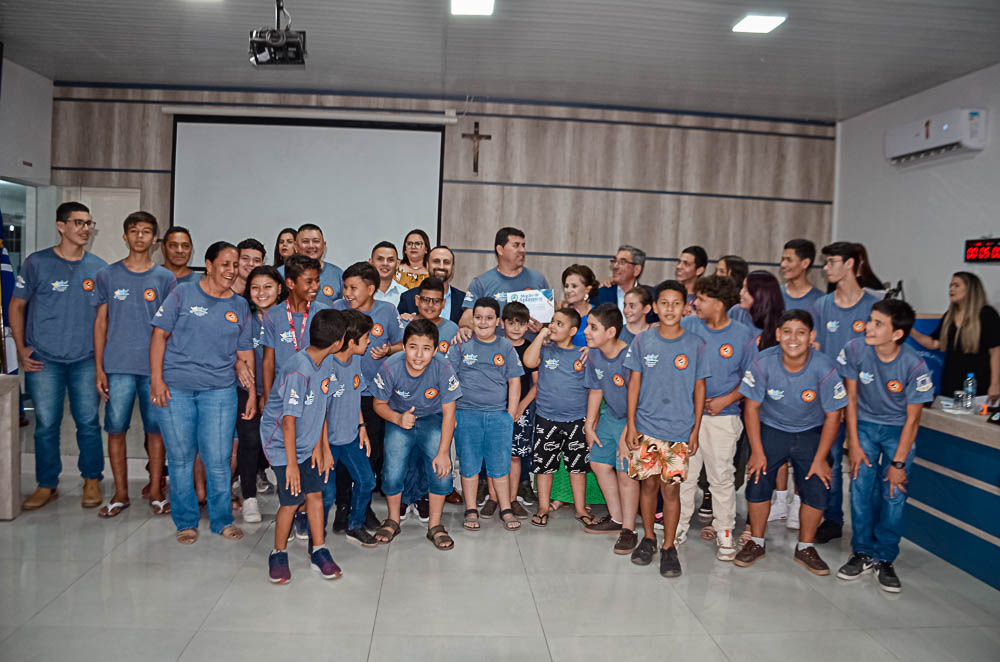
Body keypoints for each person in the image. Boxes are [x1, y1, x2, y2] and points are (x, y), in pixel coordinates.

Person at [150, 241, 256, 544]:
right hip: (176, 390)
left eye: (234, 265)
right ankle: (186, 521)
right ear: (208, 265)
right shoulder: (183, 294)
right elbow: (159, 336)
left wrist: (249, 391)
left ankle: (222, 520)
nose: (231, 270)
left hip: (219, 392)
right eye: (225, 264)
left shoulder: (238, 305)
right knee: (181, 458)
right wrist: (157, 380)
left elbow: (244, 353)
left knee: (219, 459)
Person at [11, 201, 108, 510]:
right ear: (61, 226)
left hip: (85, 358)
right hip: (44, 358)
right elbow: (16, 306)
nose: (85, 229)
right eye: (78, 223)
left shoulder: (99, 268)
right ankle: (46, 484)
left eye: (89, 223)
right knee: (46, 424)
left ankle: (92, 480)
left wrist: (102, 362)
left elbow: (104, 319)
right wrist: (20, 347)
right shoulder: (36, 263)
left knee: (89, 422)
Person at [735, 310, 847, 575]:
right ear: (777, 335)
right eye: (787, 332)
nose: (793, 338)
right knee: (758, 481)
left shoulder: (824, 367)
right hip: (771, 429)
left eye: (801, 332)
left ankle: (805, 547)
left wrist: (820, 458)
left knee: (817, 487)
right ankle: (757, 542)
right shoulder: (763, 362)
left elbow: (834, 415)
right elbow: (751, 409)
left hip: (811, 432)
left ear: (812, 336)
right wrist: (757, 452)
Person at [837, 299, 935, 592]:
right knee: (860, 489)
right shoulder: (855, 350)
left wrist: (899, 463)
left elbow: (913, 421)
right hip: (864, 426)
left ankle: (885, 557)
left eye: (878, 323)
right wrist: (853, 443)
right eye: (871, 320)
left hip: (897, 431)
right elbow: (851, 401)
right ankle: (862, 552)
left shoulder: (914, 366)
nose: (869, 326)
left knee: (893, 493)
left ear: (897, 334)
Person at [92, 211, 176, 518]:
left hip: (154, 370)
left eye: (146, 232)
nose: (140, 237)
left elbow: (170, 329)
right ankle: (120, 493)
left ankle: (155, 492)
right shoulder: (107, 275)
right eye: (134, 231)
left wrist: (165, 372)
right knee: (116, 429)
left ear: (155, 239)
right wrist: (100, 368)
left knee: (156, 431)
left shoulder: (166, 279)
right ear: (125, 236)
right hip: (118, 366)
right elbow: (100, 324)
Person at [622, 280, 708, 578]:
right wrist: (631, 424)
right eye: (664, 303)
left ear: (685, 307)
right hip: (646, 427)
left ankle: (669, 547)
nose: (670, 309)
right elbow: (634, 384)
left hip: (678, 431)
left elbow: (700, 389)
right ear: (655, 307)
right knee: (648, 486)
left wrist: (695, 430)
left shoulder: (695, 344)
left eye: (676, 303)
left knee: (671, 491)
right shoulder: (643, 341)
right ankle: (648, 538)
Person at [675, 276, 755, 560]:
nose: (694, 303)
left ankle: (724, 532)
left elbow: (751, 378)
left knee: (721, 477)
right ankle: (678, 527)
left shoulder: (743, 335)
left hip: (724, 416)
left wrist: (727, 399)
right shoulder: (688, 326)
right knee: (684, 475)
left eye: (701, 299)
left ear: (719, 304)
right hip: (687, 415)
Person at [260, 310, 343, 584]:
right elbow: (287, 422)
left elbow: (320, 409)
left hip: (306, 443)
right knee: (292, 499)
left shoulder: (328, 363)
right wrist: (292, 464)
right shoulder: (299, 370)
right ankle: (278, 553)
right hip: (282, 447)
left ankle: (319, 551)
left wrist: (322, 448)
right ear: (338, 342)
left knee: (315, 495)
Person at [372, 319, 463, 550]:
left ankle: (435, 525)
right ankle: (393, 519)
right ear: (403, 347)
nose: (419, 355)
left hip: (434, 419)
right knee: (392, 469)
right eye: (413, 347)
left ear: (435, 350)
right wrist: (397, 418)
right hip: (399, 418)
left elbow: (450, 413)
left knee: (441, 470)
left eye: (426, 348)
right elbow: (379, 404)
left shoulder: (443, 368)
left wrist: (444, 452)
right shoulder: (391, 366)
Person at [811, 242, 880, 544]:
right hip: (830, 399)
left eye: (832, 262)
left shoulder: (874, 307)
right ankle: (832, 518)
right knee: (831, 458)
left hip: (868, 399)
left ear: (852, 263)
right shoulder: (822, 306)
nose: (826, 268)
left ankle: (869, 529)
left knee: (865, 466)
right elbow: (816, 351)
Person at [331, 262, 404, 532]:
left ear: (371, 289)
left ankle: (363, 506)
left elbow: (402, 343)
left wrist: (388, 350)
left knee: (369, 453)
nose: (347, 293)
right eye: (345, 287)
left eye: (353, 287)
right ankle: (342, 506)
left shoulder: (387, 311)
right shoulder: (337, 309)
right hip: (341, 394)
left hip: (375, 394)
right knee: (341, 451)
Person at [448, 297, 524, 532]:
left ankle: (506, 508)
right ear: (472, 319)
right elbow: (448, 380)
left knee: (500, 466)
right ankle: (471, 509)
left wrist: (510, 414)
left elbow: (514, 381)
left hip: (498, 417)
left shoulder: (505, 347)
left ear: (498, 321)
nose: (483, 322)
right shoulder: (461, 344)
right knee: (469, 466)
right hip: (466, 415)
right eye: (478, 317)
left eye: (489, 318)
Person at [523, 307, 593, 528]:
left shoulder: (582, 353)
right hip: (547, 418)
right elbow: (529, 362)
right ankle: (543, 507)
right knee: (544, 467)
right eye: (552, 321)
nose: (553, 325)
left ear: (573, 330)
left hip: (576, 420)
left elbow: (593, 389)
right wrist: (541, 334)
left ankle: (580, 508)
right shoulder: (545, 349)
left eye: (559, 324)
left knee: (578, 467)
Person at [400, 276, 461, 518]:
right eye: (425, 299)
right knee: (407, 455)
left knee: (430, 454)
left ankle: (424, 496)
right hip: (406, 404)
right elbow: (397, 351)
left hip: (437, 405)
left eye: (436, 301)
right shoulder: (406, 324)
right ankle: (406, 497)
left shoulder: (452, 329)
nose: (429, 305)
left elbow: (456, 367)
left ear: (443, 302)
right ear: (416, 300)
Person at [322, 309, 379, 547]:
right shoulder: (325, 365)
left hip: (351, 437)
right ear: (352, 341)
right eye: (366, 338)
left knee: (367, 481)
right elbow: (320, 412)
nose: (369, 342)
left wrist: (362, 426)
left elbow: (355, 395)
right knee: (325, 493)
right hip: (327, 442)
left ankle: (355, 525)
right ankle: (316, 533)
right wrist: (323, 447)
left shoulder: (355, 360)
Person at [237, 265, 286, 524]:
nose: (261, 292)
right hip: (249, 391)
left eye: (268, 287)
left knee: (283, 445)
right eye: (255, 287)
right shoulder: (245, 317)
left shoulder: (288, 317)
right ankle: (249, 498)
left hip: (283, 393)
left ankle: (287, 501)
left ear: (279, 288)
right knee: (249, 440)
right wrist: (256, 394)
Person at [581, 303, 631, 537]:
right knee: (599, 463)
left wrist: (627, 435)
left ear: (610, 332)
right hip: (610, 416)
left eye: (593, 327)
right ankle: (617, 518)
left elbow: (639, 400)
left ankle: (629, 527)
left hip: (633, 420)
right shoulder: (594, 354)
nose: (586, 332)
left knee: (625, 471)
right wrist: (589, 425)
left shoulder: (629, 357)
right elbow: (596, 390)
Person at [911, 271, 999, 402]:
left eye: (956, 285)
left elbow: (996, 350)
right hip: (951, 383)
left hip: (977, 383)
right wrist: (909, 330)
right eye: (950, 285)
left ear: (970, 289)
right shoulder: (949, 316)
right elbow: (935, 343)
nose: (951, 289)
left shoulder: (986, 314)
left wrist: (995, 384)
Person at [262, 254, 329, 406]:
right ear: (291, 283)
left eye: (317, 280)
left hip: (314, 393)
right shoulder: (273, 316)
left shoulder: (324, 313)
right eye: (309, 282)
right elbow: (268, 362)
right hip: (282, 393)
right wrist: (267, 398)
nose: (315, 287)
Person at [459, 227, 550, 336]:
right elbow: (467, 318)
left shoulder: (538, 279)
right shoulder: (481, 283)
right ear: (500, 250)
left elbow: (550, 320)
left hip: (530, 349)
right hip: (494, 350)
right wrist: (466, 328)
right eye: (516, 245)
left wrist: (543, 326)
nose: (522, 250)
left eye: (523, 246)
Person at [502, 301, 539, 511]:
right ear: (502, 323)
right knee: (497, 455)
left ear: (527, 325)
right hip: (498, 408)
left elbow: (537, 385)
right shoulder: (498, 345)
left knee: (516, 455)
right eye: (511, 322)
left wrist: (521, 406)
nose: (516, 328)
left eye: (521, 323)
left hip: (522, 411)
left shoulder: (529, 348)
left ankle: (513, 498)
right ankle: (496, 498)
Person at [397, 246, 467, 324]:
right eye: (436, 261)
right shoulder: (407, 298)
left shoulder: (464, 301)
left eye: (446, 262)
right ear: (427, 265)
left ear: (452, 267)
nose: (441, 266)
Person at [284, 223, 343, 306]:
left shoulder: (337, 274)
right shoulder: (282, 273)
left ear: (324, 245)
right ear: (295, 246)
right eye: (305, 241)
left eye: (316, 241)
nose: (311, 246)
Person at [595, 245, 654, 317]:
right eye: (615, 261)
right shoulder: (600, 294)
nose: (615, 266)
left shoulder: (652, 296)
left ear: (636, 270)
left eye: (622, 262)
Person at [780, 239, 823, 312]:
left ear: (805, 263)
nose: (783, 264)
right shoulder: (775, 295)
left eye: (789, 260)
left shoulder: (821, 301)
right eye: (782, 259)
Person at [562, 264, 598, 347]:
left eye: (574, 286)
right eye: (566, 286)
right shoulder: (561, 313)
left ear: (587, 289)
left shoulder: (598, 315)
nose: (568, 290)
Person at [370, 241, 407, 307]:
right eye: (380, 259)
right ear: (371, 262)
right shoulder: (361, 293)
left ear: (398, 264)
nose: (385, 263)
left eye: (390, 260)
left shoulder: (405, 293)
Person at [676, 246, 708, 315]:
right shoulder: (665, 291)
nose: (679, 267)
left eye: (686, 264)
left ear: (699, 270)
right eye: (679, 262)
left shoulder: (705, 299)